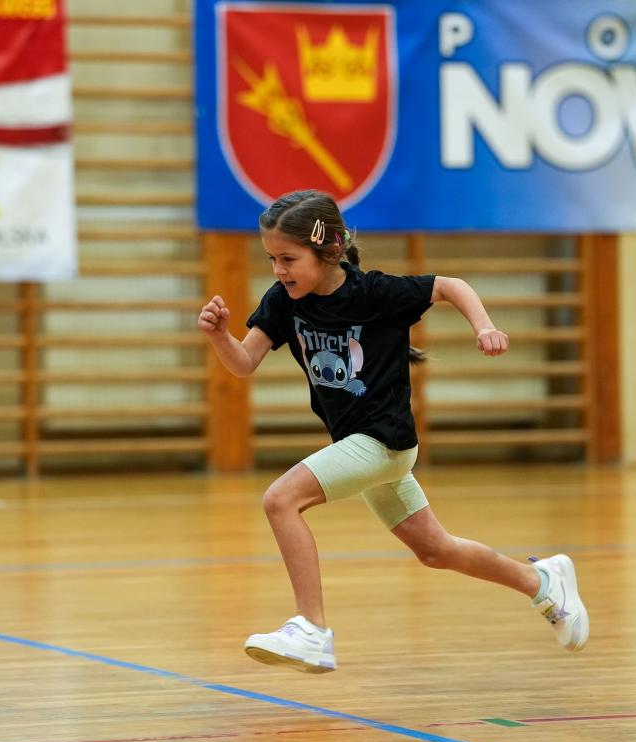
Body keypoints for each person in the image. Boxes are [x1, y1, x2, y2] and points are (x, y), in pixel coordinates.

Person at [196, 189, 588, 673]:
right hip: (362, 447)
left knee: (280, 500)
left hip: (382, 441)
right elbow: (243, 363)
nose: (278, 270)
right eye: (272, 259)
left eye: (289, 259)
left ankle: (312, 629)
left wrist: (483, 326)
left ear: (330, 251)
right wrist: (220, 336)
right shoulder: (283, 302)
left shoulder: (374, 293)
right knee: (436, 551)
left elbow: (451, 286)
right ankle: (542, 583)